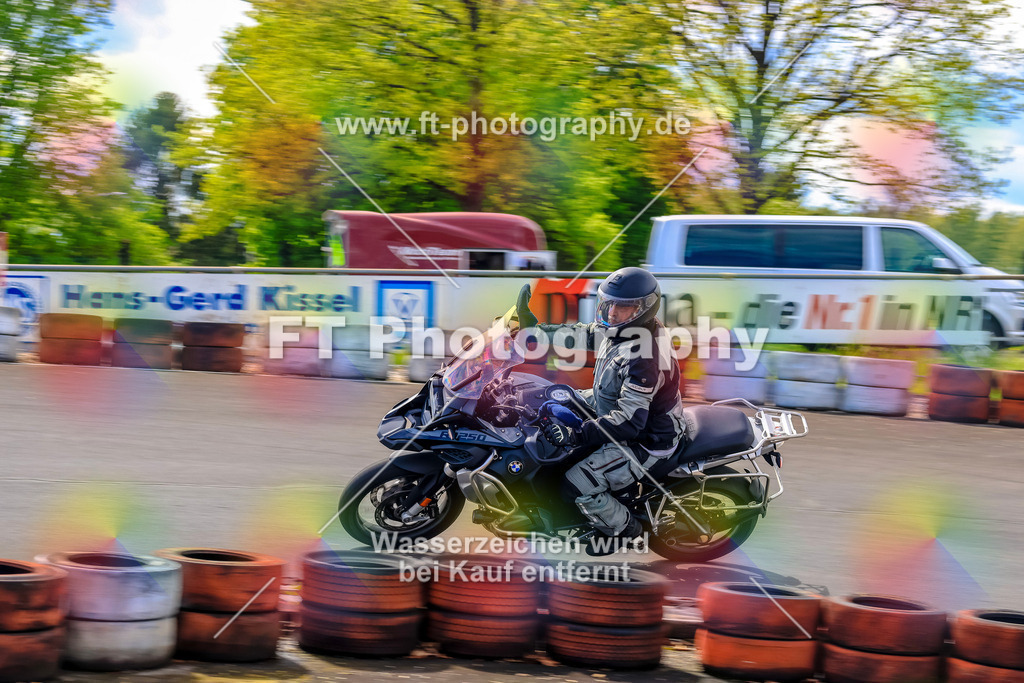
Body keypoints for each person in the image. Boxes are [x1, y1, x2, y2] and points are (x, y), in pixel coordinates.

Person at [536, 267, 687, 555]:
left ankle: (624, 531)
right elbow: (585, 335)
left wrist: (576, 434)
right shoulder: (625, 330)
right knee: (548, 398)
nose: (613, 313)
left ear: (644, 308)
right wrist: (535, 331)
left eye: (624, 306)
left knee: (576, 482)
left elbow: (629, 423)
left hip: (645, 439)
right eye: (609, 304)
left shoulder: (645, 357)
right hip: (610, 404)